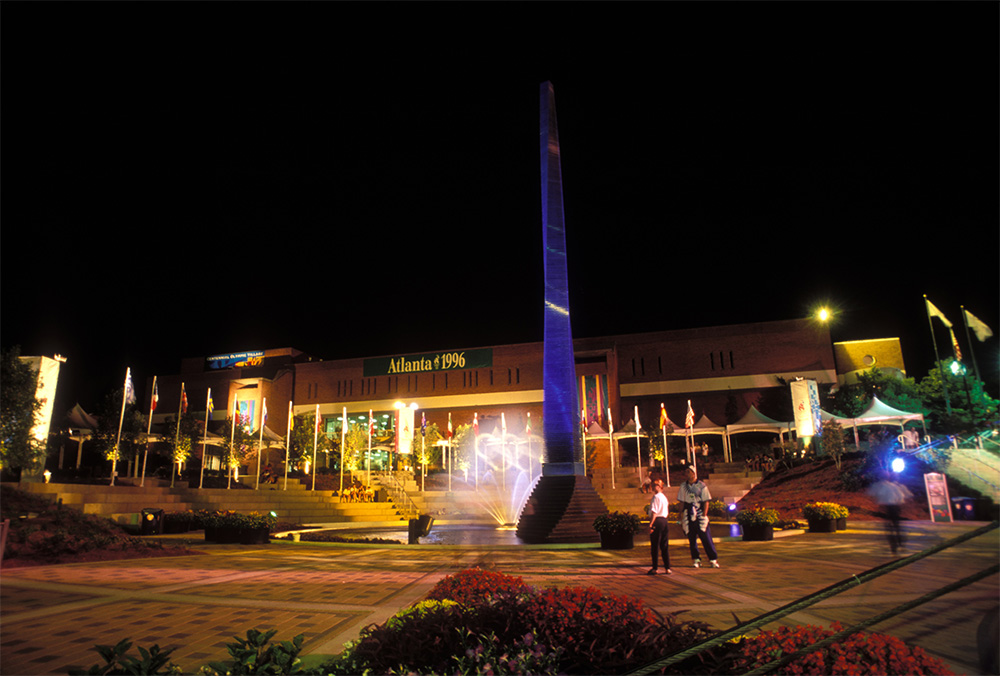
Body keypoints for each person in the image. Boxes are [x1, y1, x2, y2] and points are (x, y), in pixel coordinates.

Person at [678, 466, 720, 568]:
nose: (687, 474)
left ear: (693, 473)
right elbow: (682, 502)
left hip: (700, 513)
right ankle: (696, 558)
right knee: (691, 538)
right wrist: (680, 514)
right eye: (686, 472)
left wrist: (704, 514)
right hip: (688, 513)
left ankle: (713, 559)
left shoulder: (702, 486)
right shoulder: (683, 486)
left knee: (705, 537)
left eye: (689, 472)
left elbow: (706, 501)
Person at [868, 470, 912, 554]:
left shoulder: (883, 485)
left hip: (889, 507)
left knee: (891, 527)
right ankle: (898, 543)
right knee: (895, 526)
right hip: (893, 507)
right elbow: (901, 496)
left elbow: (874, 494)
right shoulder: (892, 486)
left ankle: (895, 545)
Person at [647, 478, 672, 575]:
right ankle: (667, 567)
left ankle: (655, 567)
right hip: (664, 520)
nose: (654, 487)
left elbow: (654, 512)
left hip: (657, 521)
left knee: (655, 545)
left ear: (660, 487)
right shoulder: (664, 497)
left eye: (655, 485)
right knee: (664, 545)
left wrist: (651, 524)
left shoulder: (656, 497)